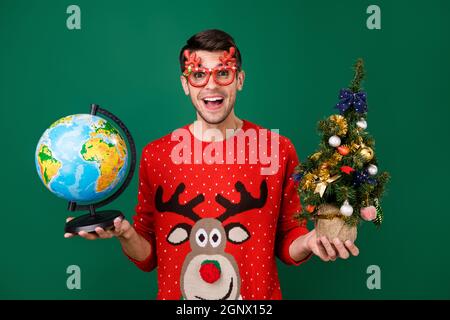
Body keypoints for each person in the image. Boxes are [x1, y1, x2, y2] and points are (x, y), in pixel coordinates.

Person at [65, 29, 359, 300]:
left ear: (240, 80)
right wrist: (125, 234)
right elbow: (149, 255)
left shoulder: (277, 149)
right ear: (185, 84)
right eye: (198, 75)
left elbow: (287, 239)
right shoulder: (156, 155)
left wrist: (308, 241)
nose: (211, 85)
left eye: (223, 73)